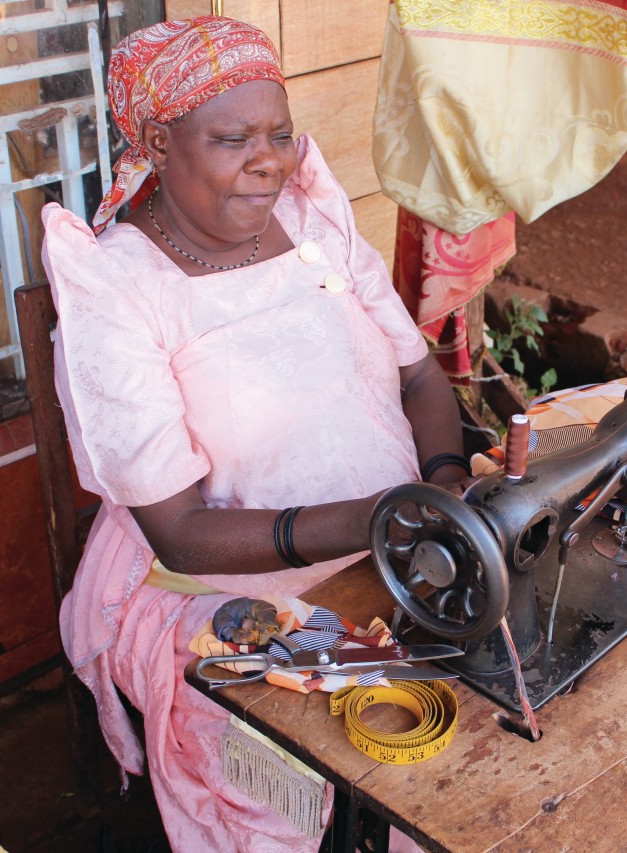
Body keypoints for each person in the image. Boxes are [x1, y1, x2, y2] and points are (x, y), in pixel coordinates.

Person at [40, 16, 466, 851]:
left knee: (475, 734)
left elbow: (419, 376)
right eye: (233, 138)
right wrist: (386, 520)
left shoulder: (315, 225)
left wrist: (445, 483)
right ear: (159, 143)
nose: (268, 159)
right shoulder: (117, 290)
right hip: (217, 589)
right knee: (308, 778)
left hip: (400, 540)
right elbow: (183, 531)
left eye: (279, 133)